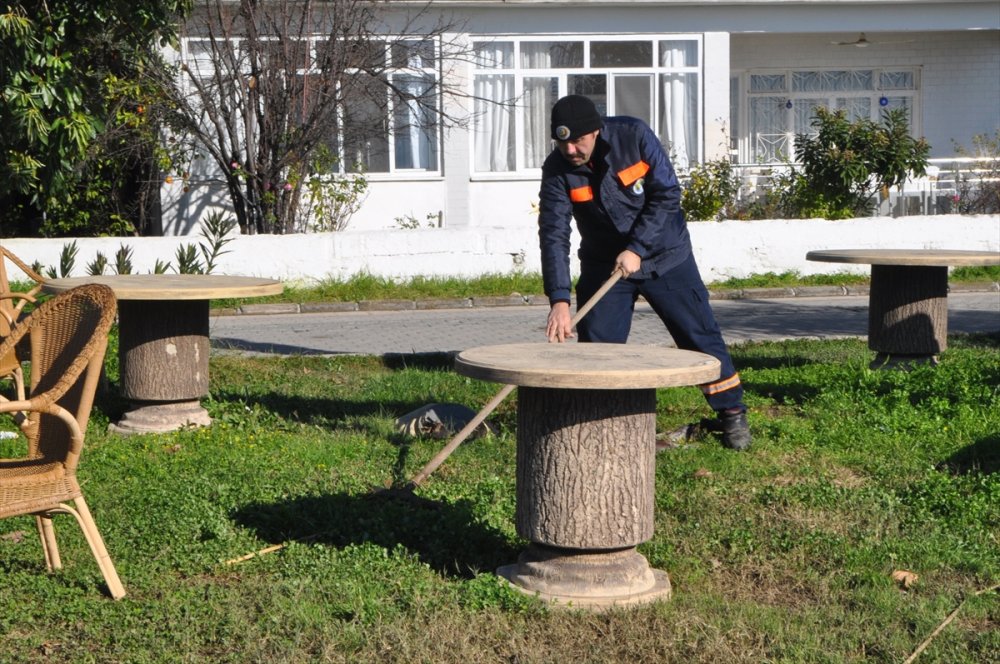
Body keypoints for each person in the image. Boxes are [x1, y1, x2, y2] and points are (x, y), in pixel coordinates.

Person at [537, 94, 751, 450]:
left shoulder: (633, 136)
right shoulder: (557, 170)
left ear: (596, 130)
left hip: (665, 255)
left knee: (698, 336)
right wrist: (559, 299)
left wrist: (637, 247)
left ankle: (731, 414)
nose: (571, 149)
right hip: (604, 265)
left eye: (578, 141)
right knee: (598, 350)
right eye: (563, 142)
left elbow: (667, 195)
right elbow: (553, 232)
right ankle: (599, 425)